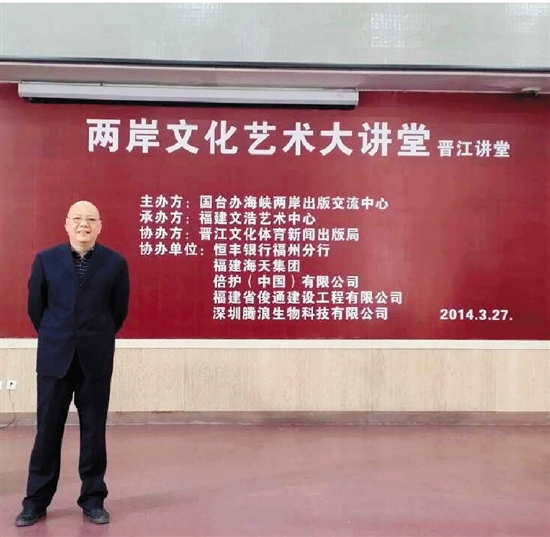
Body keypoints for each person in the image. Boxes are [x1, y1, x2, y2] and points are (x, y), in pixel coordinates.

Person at [15, 200, 130, 527]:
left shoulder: (115, 263)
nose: (84, 224)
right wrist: (58, 335)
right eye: (77, 219)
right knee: (47, 432)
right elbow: (36, 308)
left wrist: (94, 337)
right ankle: (35, 501)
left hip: (95, 360)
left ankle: (93, 500)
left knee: (94, 433)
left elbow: (118, 311)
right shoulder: (46, 260)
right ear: (66, 224)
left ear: (99, 226)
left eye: (91, 219)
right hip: (55, 359)